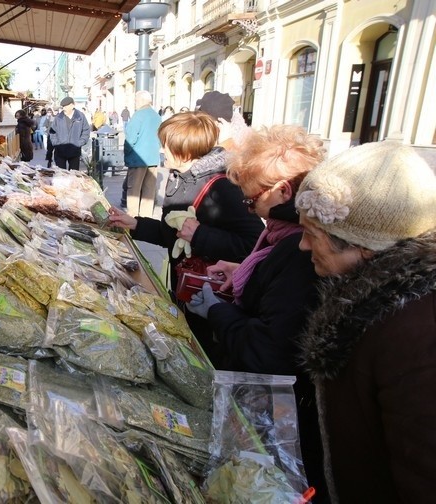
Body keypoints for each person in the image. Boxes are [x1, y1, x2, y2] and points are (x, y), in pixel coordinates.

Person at [185, 125, 329, 501]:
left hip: (280, 423)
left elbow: (270, 351)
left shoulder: (299, 250)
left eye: (252, 202)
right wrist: (243, 272)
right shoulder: (282, 238)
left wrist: (218, 312)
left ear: (283, 190)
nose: (253, 213)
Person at [293, 142, 436, 502]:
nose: (303, 247)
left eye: (313, 234)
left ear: (364, 247)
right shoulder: (371, 299)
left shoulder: (415, 335)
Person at [107, 111, 263, 301]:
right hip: (185, 287)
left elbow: (254, 244)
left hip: (212, 295)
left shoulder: (223, 187)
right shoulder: (179, 177)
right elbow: (173, 234)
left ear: (185, 151)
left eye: (166, 145)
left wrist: (200, 235)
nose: (162, 150)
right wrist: (135, 224)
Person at [122, 90, 163, 217]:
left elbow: (130, 139)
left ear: (141, 100)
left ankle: (132, 217)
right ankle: (146, 218)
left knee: (134, 190)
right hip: (152, 158)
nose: (135, 102)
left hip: (137, 159)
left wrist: (126, 153)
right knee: (149, 191)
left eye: (135, 100)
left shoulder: (138, 115)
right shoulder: (157, 116)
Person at [49, 97, 90, 170]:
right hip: (60, 151)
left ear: (72, 105)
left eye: (65, 106)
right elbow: (52, 132)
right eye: (63, 106)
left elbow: (86, 130)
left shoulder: (80, 117)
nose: (63, 108)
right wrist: (56, 143)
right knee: (61, 176)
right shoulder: (58, 117)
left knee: (73, 176)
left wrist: (80, 142)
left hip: (74, 151)